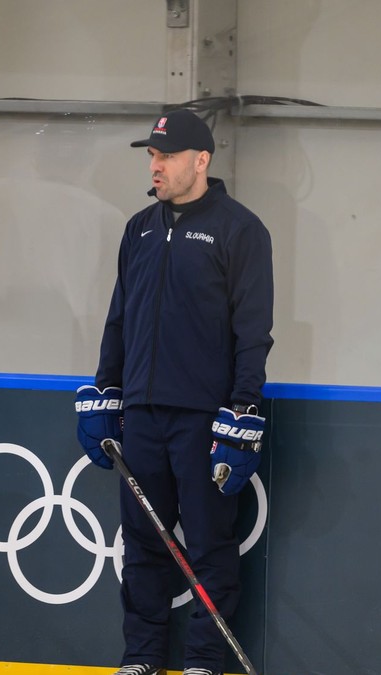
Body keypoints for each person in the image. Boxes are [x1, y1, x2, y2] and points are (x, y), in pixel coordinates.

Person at [74, 109, 274, 675]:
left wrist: (242, 411)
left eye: (165, 156)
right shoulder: (138, 227)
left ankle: (205, 662)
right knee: (142, 542)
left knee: (210, 544)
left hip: (205, 418)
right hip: (141, 412)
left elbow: (253, 331)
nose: (155, 165)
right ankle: (141, 658)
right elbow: (120, 317)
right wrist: (105, 389)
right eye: (152, 155)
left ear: (201, 160)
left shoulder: (240, 229)